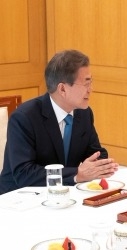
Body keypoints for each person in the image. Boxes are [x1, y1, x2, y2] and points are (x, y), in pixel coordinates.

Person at [0, 49, 119, 194]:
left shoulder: (84, 113)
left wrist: (100, 164)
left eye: (91, 82)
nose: (90, 89)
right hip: (20, 198)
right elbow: (24, 173)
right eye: (86, 84)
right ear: (62, 89)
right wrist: (77, 174)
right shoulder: (24, 117)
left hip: (64, 194)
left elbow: (93, 151)